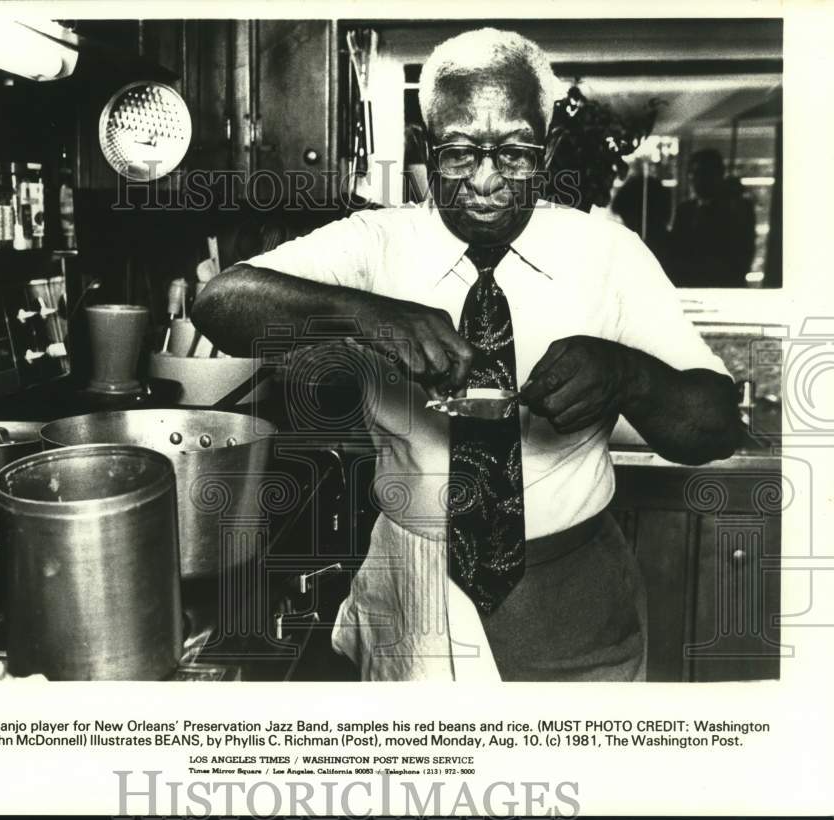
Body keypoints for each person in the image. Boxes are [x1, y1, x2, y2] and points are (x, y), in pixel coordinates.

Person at [193, 28, 743, 682]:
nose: (485, 179)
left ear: (544, 149)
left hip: (575, 606)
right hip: (413, 594)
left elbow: (715, 428)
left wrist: (630, 377)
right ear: (427, 148)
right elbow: (221, 302)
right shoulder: (376, 243)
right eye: (458, 152)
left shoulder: (609, 255)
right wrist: (367, 313)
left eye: (513, 152)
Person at [668, 148, 757, 287]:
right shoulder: (685, 210)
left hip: (725, 287)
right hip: (689, 286)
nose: (698, 180)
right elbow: (676, 251)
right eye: (693, 174)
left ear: (720, 175)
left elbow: (742, 256)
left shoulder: (736, 208)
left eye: (705, 174)